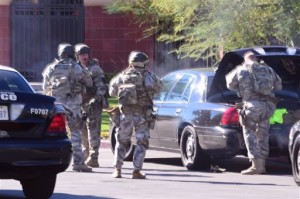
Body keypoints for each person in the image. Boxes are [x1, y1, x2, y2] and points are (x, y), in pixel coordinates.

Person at [226, 51, 282, 175]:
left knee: (250, 135)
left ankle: (255, 166)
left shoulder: (241, 70)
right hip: (268, 106)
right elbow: (278, 86)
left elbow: (229, 84)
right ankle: (262, 166)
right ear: (256, 59)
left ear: (245, 60)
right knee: (263, 135)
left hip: (251, 106)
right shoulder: (269, 69)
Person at [109, 51, 162, 179]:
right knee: (141, 143)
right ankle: (136, 171)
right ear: (143, 63)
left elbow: (111, 92)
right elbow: (159, 89)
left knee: (121, 141)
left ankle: (117, 170)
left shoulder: (122, 76)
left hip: (126, 115)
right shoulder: (149, 76)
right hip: (143, 115)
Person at [42, 42, 93, 172]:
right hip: (73, 104)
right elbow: (89, 82)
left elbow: (44, 87)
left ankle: (48, 161)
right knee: (75, 132)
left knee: (51, 132)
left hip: (56, 105)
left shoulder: (51, 67)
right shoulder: (77, 67)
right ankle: (78, 163)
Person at [74, 43, 108, 168]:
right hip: (80, 104)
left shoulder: (95, 69)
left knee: (93, 130)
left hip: (93, 104)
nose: (84, 57)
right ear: (77, 56)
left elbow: (102, 86)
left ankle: (94, 157)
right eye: (81, 54)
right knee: (82, 129)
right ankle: (86, 154)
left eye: (86, 54)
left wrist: (96, 99)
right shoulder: (76, 68)